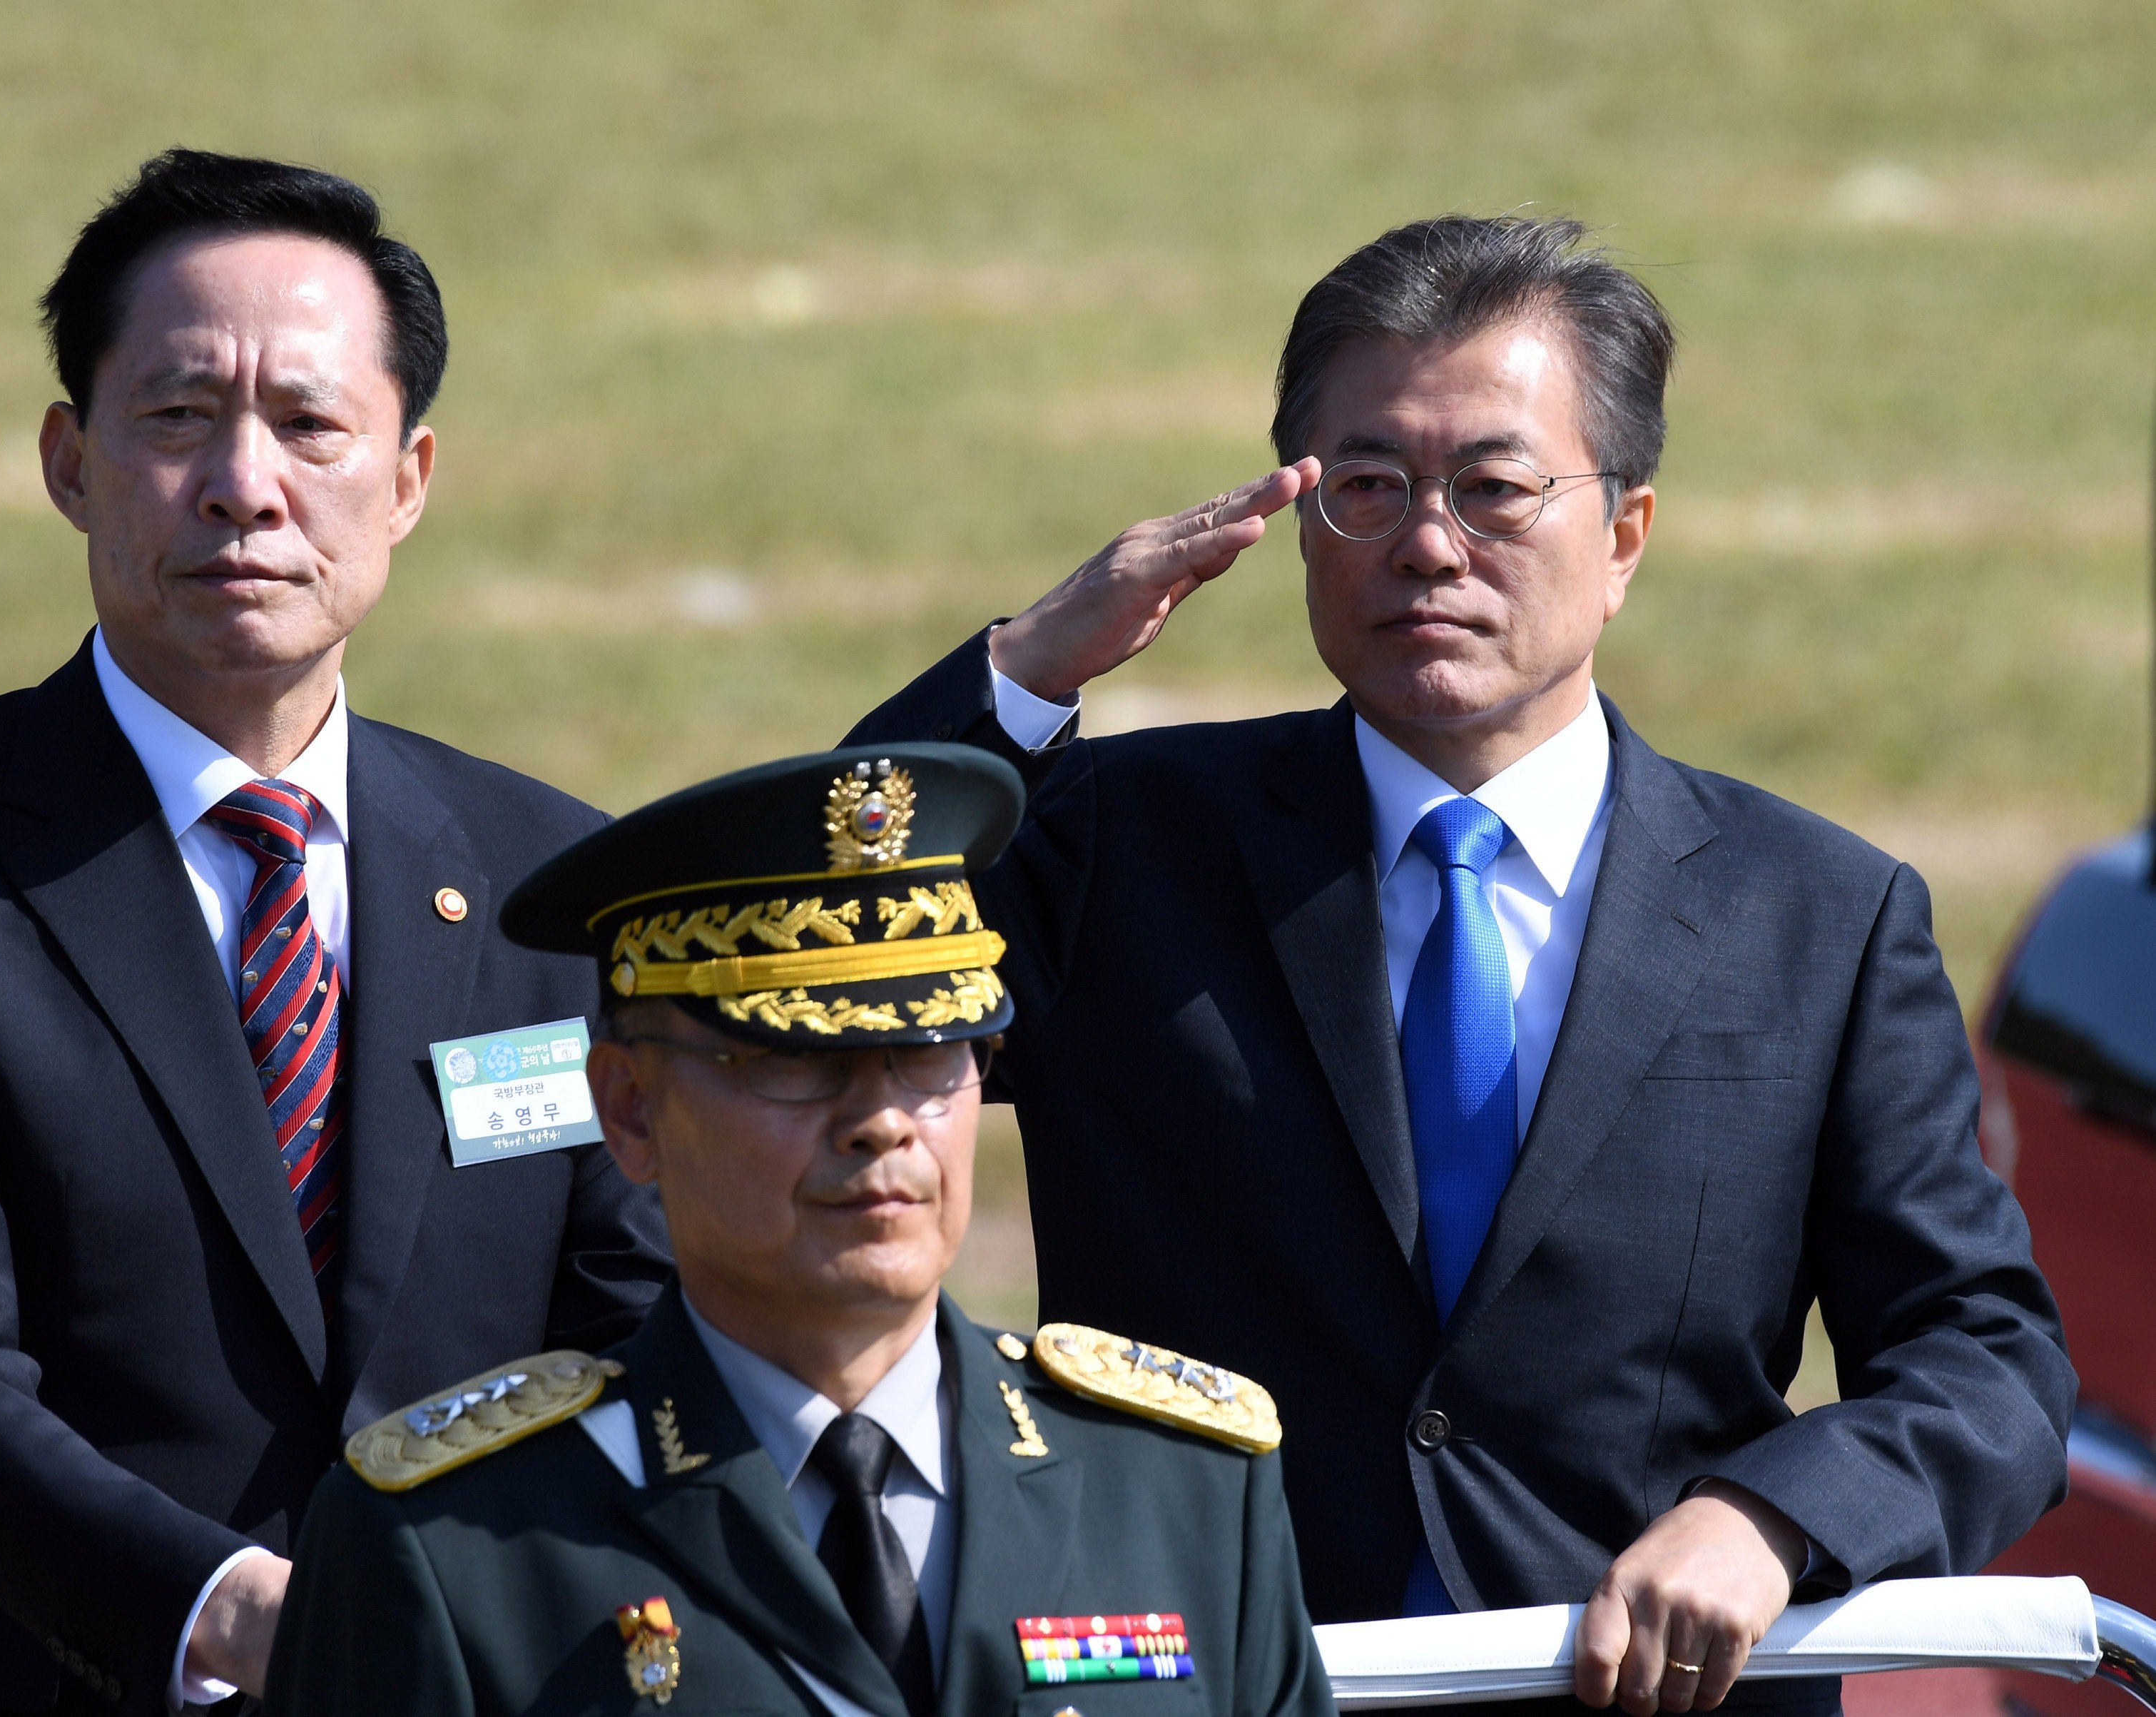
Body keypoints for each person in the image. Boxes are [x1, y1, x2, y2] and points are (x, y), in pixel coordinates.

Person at [846, 216, 2074, 1716]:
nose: (1427, 544)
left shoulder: (1814, 913)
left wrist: (1773, 1519)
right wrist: (1025, 670)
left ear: (1623, 533)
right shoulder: (1119, 844)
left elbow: (1984, 1360)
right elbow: (808, 954)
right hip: (1204, 1677)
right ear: (1295, 526)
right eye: (1366, 489)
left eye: (1495, 488)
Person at [0, 149, 671, 1715]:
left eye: (312, 425)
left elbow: (640, 1316)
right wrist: (247, 1620)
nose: (246, 483)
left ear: (411, 478)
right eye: (177, 418)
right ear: (68, 461)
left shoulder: (549, 878)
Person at [264, 744, 1335, 1717]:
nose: (879, 1123)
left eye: (931, 1054)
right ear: (630, 1110)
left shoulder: (1185, 1487)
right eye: (792, 1064)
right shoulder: (451, 1546)